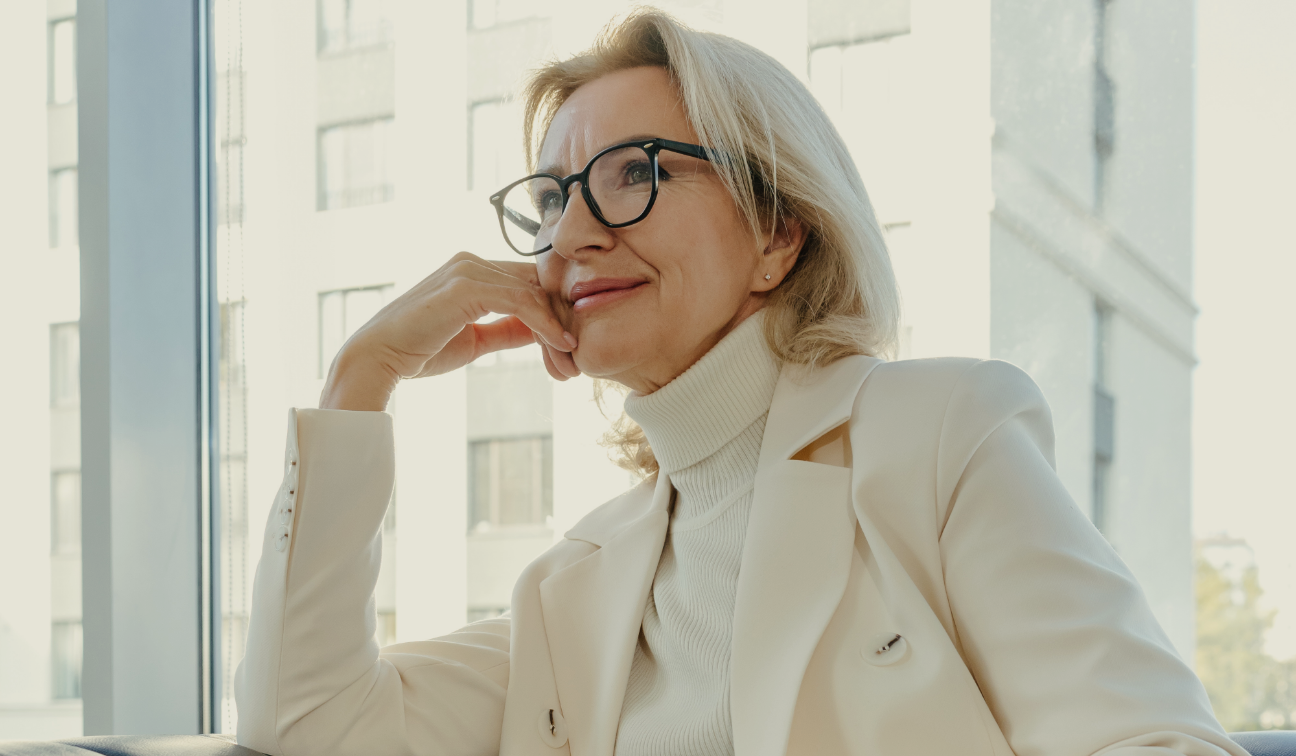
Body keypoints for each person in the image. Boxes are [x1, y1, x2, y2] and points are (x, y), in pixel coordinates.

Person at [235, 10, 1245, 756]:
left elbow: (1158, 746)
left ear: (776, 232)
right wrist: (361, 379)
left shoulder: (939, 436)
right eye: (550, 198)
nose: (573, 232)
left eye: (634, 172)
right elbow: (303, 732)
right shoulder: (569, 586)